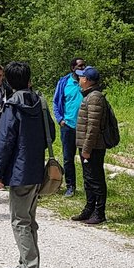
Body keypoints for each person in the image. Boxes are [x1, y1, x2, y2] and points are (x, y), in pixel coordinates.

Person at [0, 61, 55, 268]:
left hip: (19, 171)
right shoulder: (41, 102)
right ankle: (28, 262)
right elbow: (52, 135)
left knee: (19, 220)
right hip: (37, 169)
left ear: (8, 81)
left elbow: (5, 141)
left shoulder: (12, 106)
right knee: (29, 219)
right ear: (29, 78)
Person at [72, 66, 108, 225]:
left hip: (94, 147)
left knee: (96, 179)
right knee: (88, 179)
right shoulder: (89, 96)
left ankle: (99, 213)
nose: (79, 79)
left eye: (81, 77)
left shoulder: (95, 98)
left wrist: (86, 149)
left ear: (87, 80)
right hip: (87, 146)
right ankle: (89, 209)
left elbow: (93, 127)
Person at [53, 57, 85, 197]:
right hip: (68, 126)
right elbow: (56, 102)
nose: (83, 68)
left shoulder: (87, 81)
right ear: (73, 68)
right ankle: (70, 186)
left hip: (84, 126)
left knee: (86, 157)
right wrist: (60, 120)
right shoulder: (64, 82)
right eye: (80, 66)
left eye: (84, 65)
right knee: (68, 158)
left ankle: (88, 186)